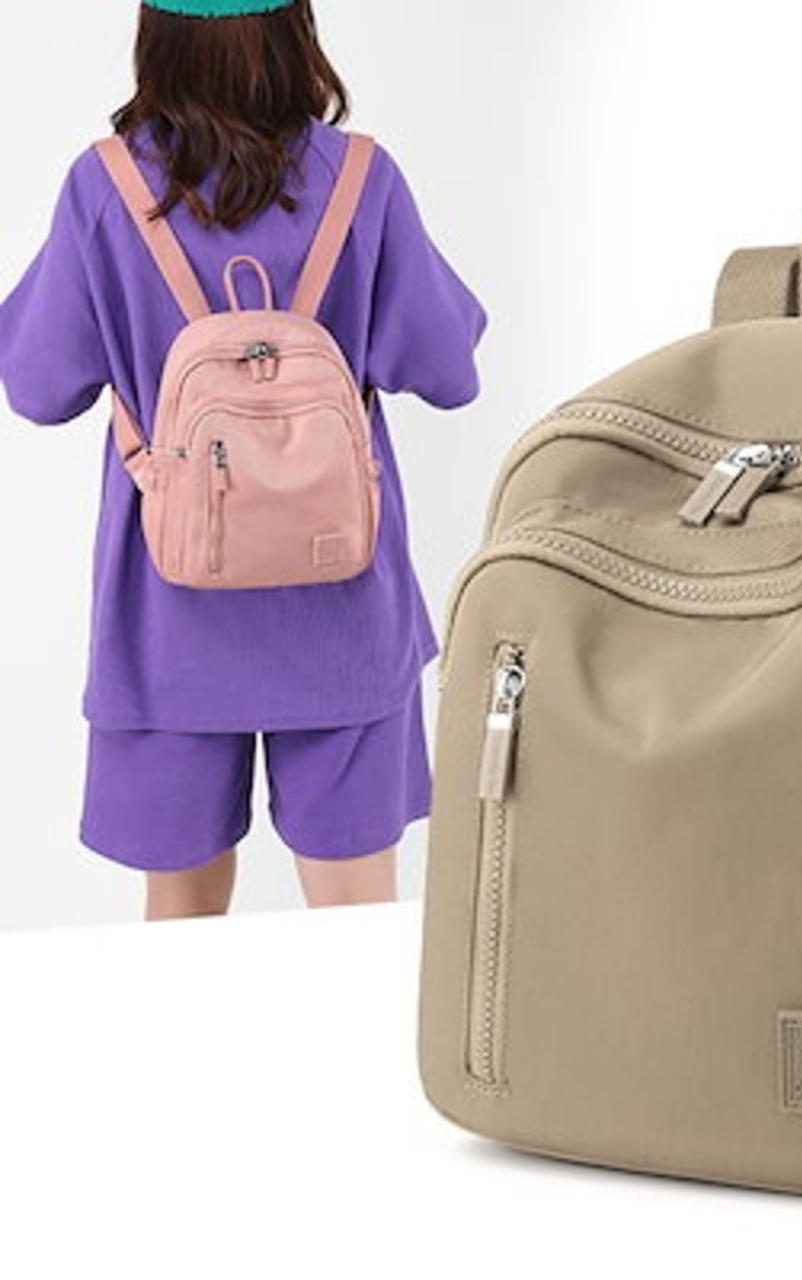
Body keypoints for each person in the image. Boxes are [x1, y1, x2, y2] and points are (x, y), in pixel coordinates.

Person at [0, 0, 487, 920]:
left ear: (156, 35)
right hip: (343, 613)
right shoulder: (363, 179)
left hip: (166, 620)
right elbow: (447, 371)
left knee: (182, 922)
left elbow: (37, 386)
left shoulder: (105, 185)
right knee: (355, 920)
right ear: (294, 30)